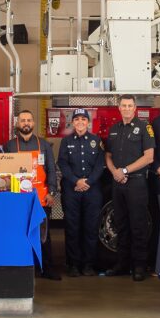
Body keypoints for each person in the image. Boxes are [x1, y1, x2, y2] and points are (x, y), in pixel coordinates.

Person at [3, 109, 62, 280]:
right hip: (19, 200)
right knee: (20, 233)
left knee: (43, 236)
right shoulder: (10, 146)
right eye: (23, 120)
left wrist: (52, 192)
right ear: (17, 123)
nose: (26, 123)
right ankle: (22, 267)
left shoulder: (44, 144)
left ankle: (46, 268)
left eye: (29, 120)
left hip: (41, 198)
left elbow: (52, 169)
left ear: (33, 123)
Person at [104, 95, 155, 281]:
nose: (126, 108)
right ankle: (122, 264)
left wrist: (124, 170)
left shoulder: (144, 128)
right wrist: (115, 172)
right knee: (121, 225)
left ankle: (140, 266)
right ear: (119, 108)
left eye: (130, 106)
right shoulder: (114, 129)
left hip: (136, 183)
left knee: (138, 225)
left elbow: (149, 157)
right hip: (118, 183)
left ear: (135, 108)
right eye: (123, 105)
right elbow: (108, 156)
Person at [58, 108, 106, 279]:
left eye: (83, 119)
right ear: (72, 122)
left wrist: (88, 182)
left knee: (90, 228)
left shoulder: (96, 140)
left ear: (88, 122)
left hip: (92, 191)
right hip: (72, 190)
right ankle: (73, 265)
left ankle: (88, 265)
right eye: (76, 119)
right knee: (72, 228)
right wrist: (76, 181)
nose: (80, 122)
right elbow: (62, 164)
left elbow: (100, 165)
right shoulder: (65, 141)